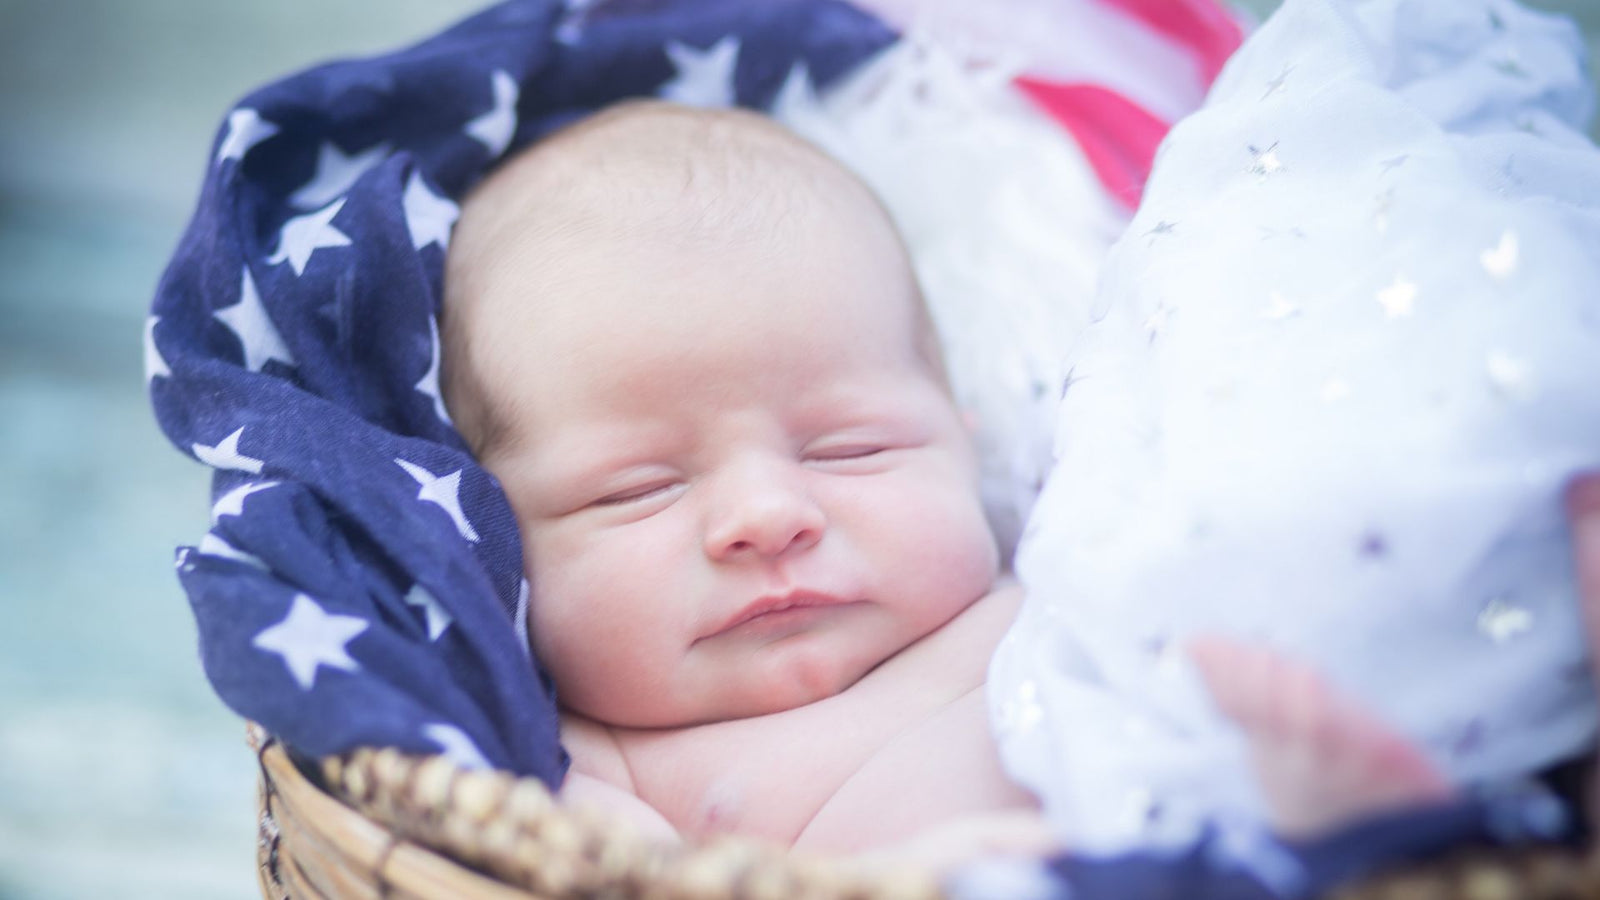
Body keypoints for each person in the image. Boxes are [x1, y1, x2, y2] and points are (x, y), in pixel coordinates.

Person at [437, 100, 1463, 864]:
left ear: (964, 445)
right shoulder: (596, 761)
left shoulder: (1054, 588)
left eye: (850, 449)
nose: (766, 516)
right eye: (635, 490)